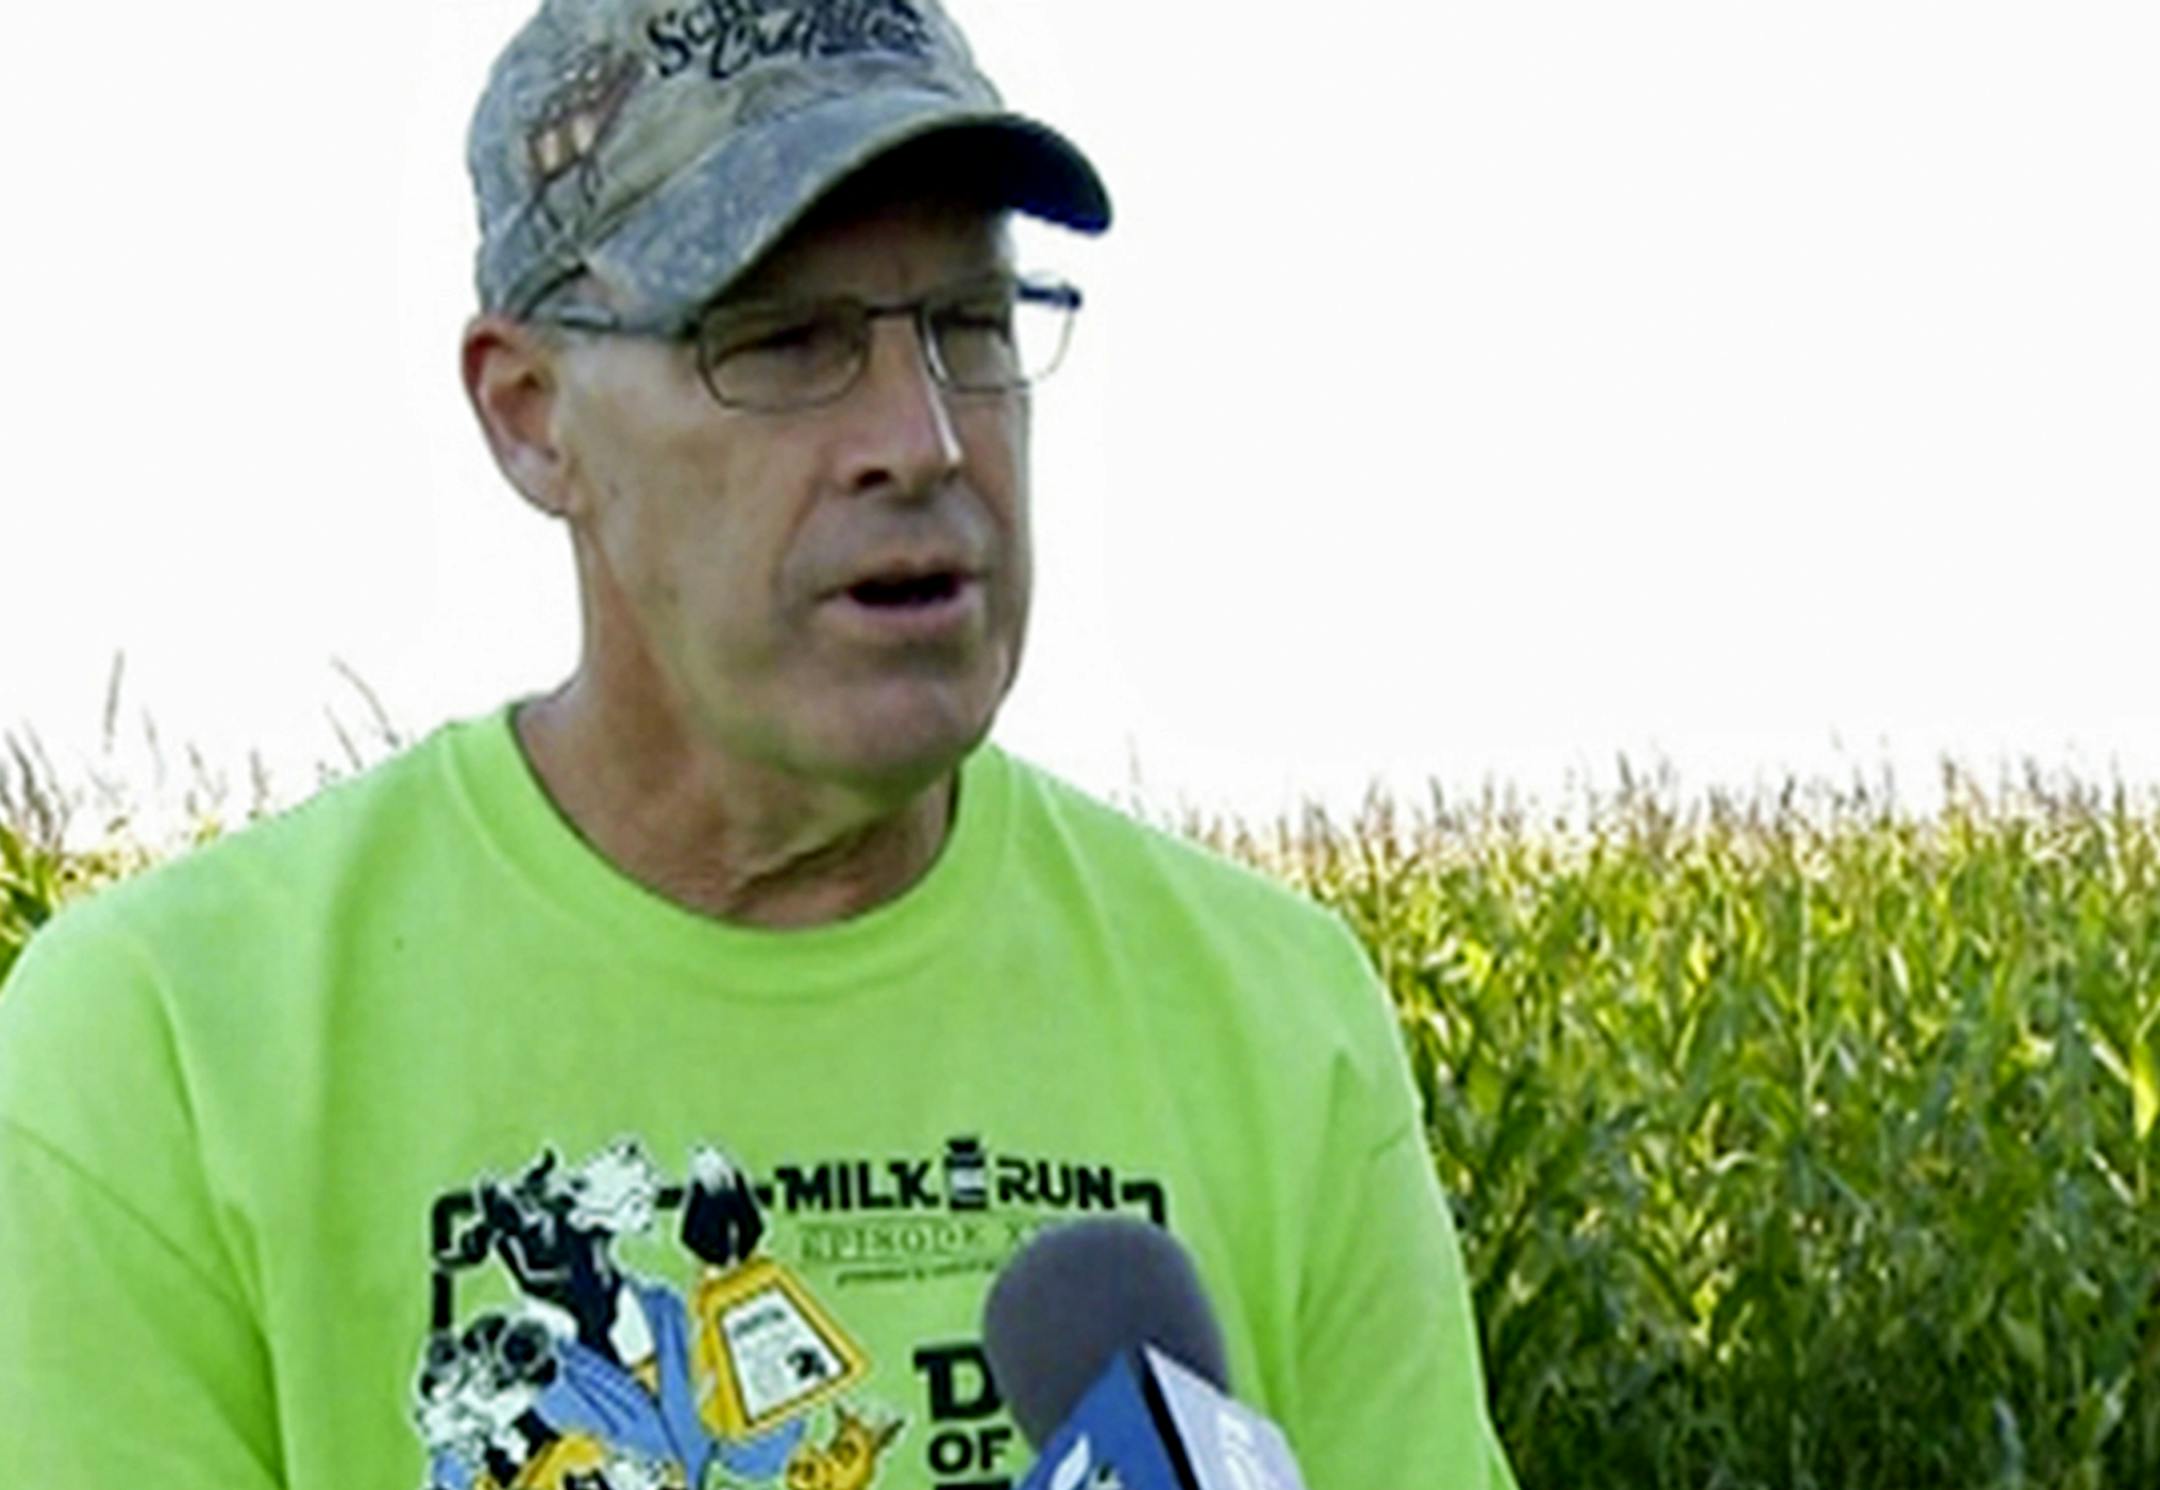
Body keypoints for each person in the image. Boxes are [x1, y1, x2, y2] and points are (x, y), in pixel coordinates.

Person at [0, 2, 1517, 1486]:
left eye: (969, 325)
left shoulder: (1273, 1016)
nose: (921, 439)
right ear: (531, 416)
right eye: (785, 343)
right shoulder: (168, 1052)